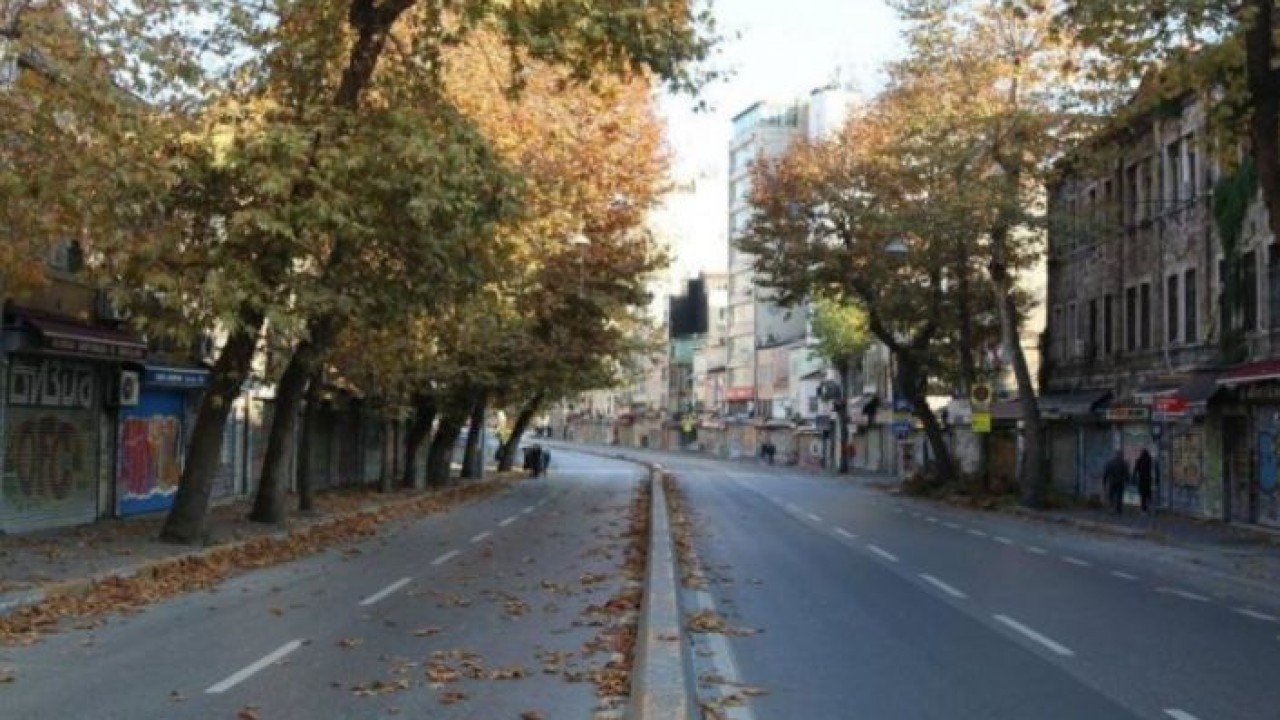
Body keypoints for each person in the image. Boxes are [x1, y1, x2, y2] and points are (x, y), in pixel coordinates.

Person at [1103, 450, 1129, 516]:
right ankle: (1118, 510)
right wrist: (1127, 481)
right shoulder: (1124, 463)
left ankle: (1111, 508)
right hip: (1120, 482)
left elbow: (1106, 472)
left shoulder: (1110, 463)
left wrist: (1104, 480)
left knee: (1111, 496)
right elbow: (1126, 473)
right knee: (1119, 496)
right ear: (1121, 455)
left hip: (1112, 482)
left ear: (1115, 455)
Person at [1133, 448, 1157, 513]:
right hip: (1148, 480)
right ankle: (1149, 507)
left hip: (1141, 480)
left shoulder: (1139, 460)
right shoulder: (1150, 460)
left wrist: (1134, 478)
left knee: (1143, 495)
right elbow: (1153, 470)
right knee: (1148, 494)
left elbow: (1135, 470)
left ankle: (1144, 509)